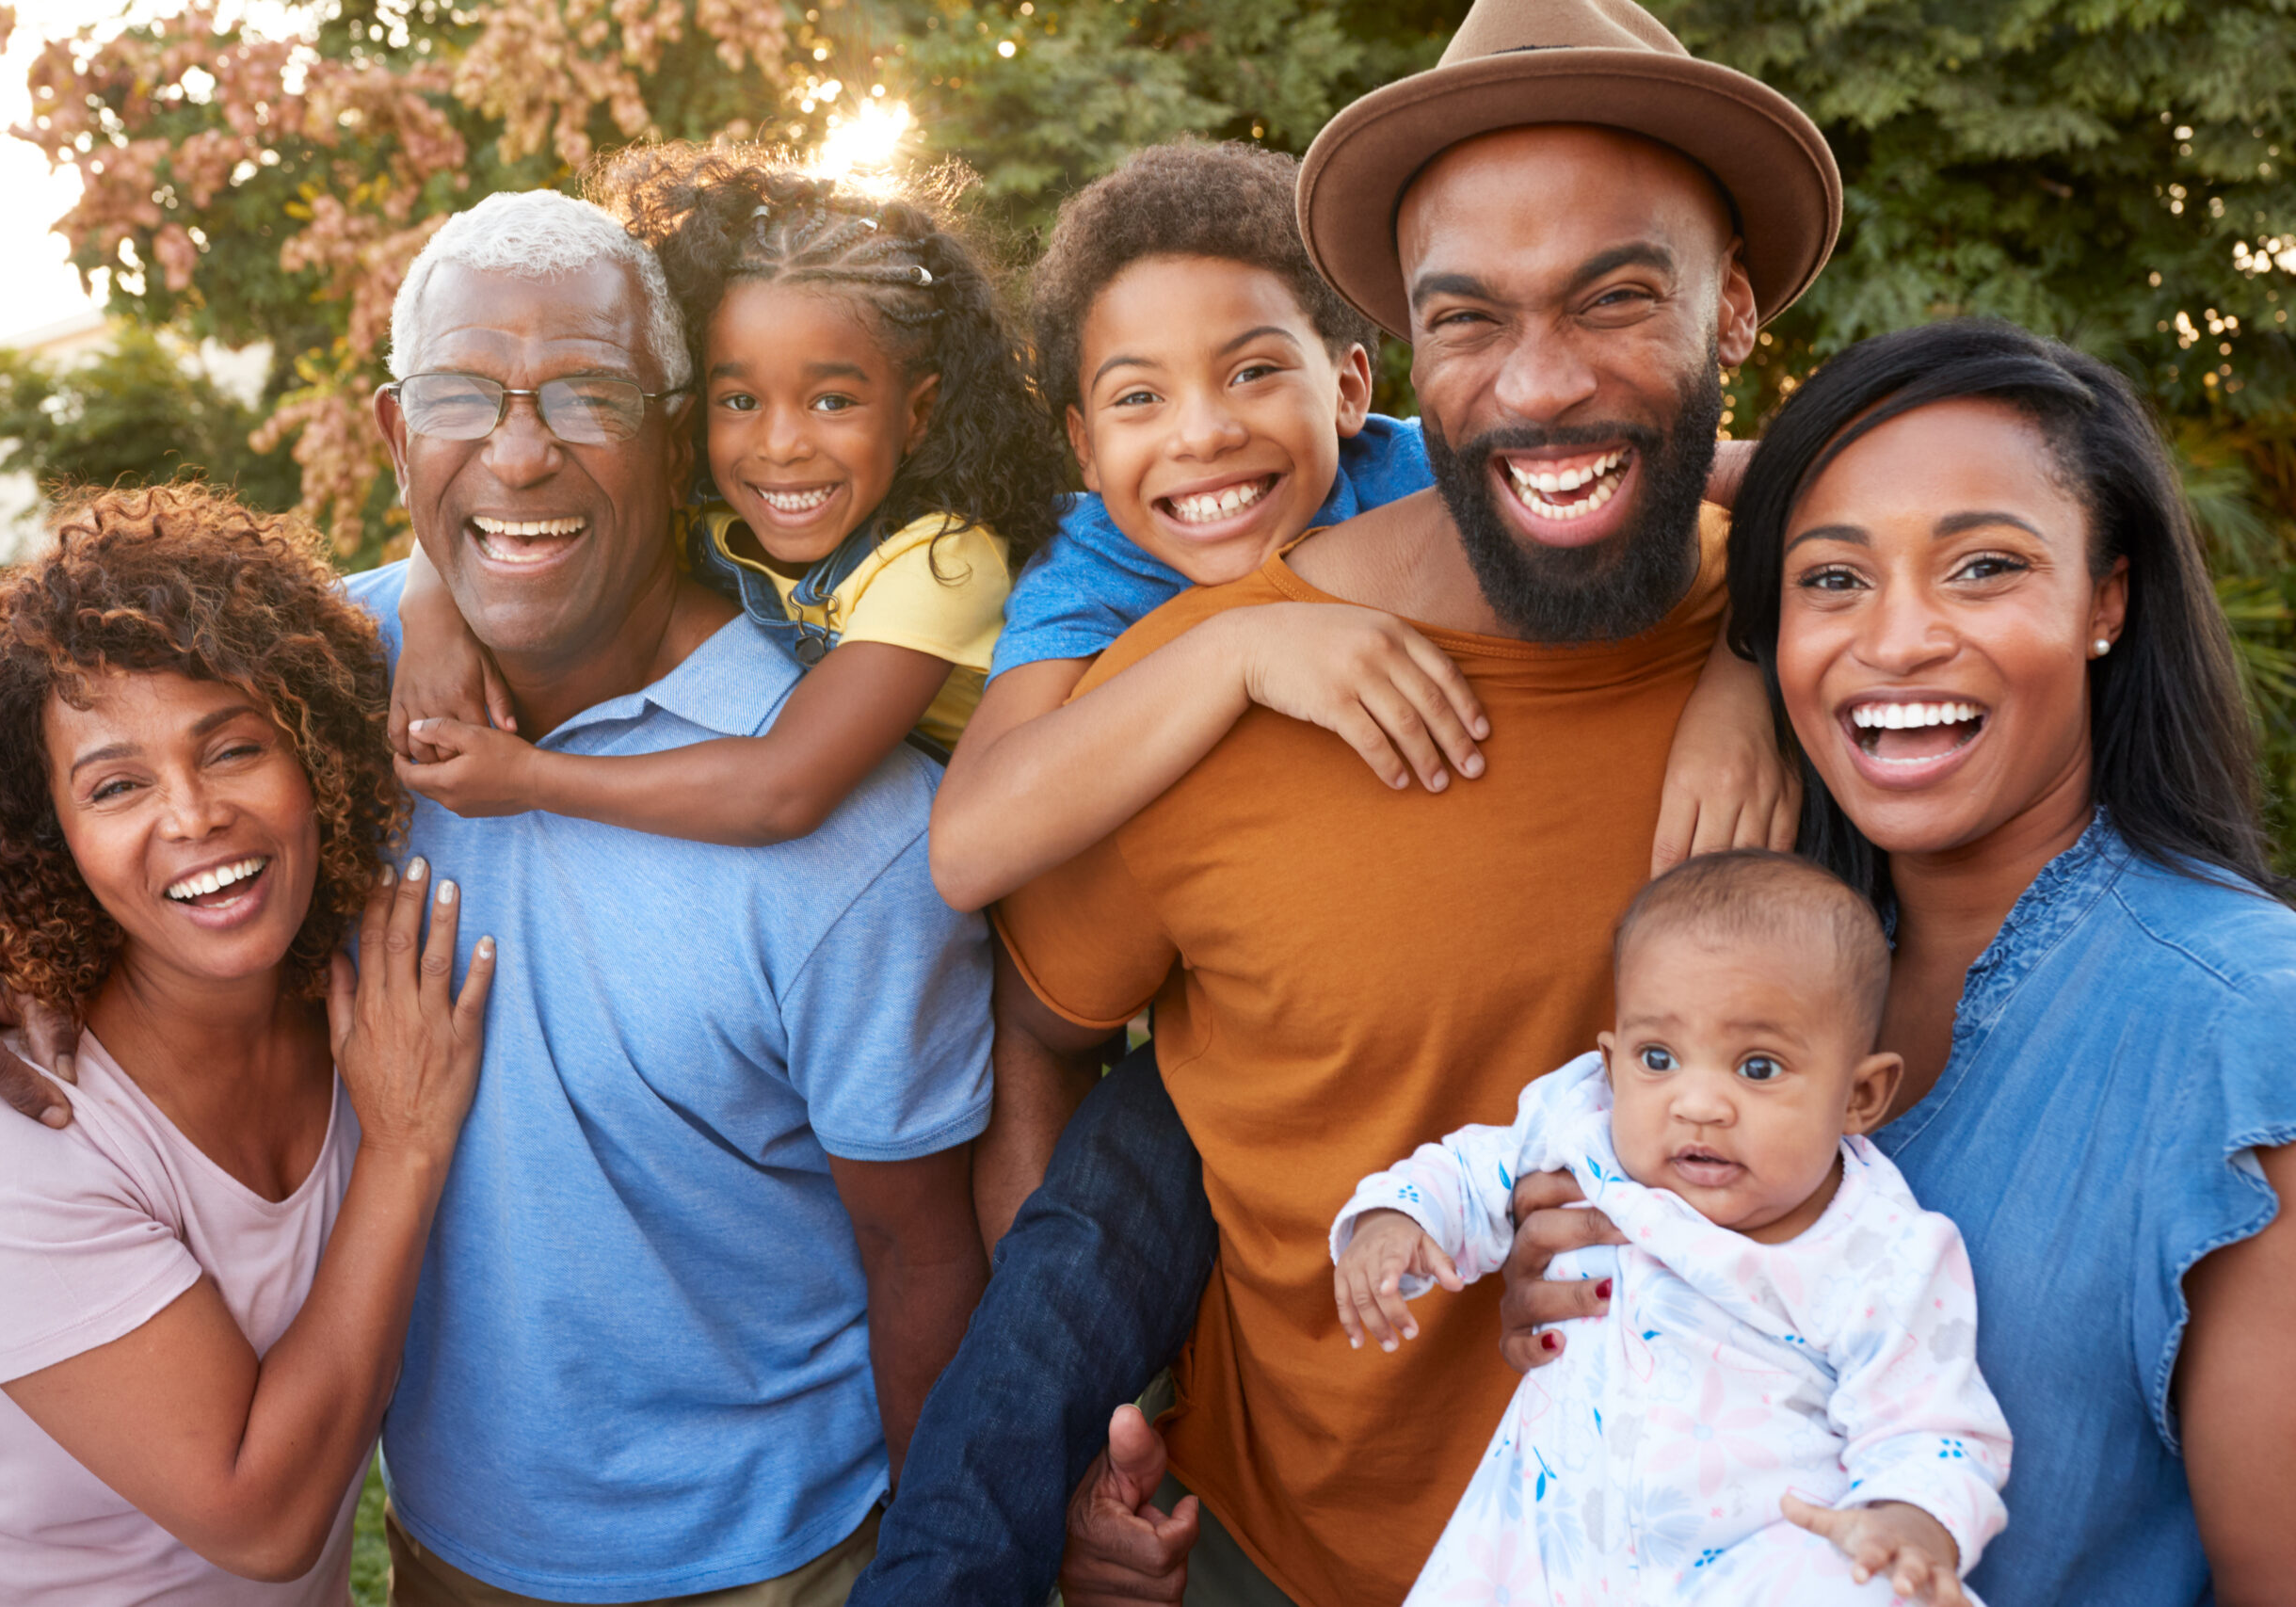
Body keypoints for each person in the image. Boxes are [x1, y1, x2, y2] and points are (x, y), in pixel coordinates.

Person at [859, 1, 1852, 1601]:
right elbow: (1027, 996)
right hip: (1297, 1543)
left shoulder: (1848, 654)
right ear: (1420, 338)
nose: (1539, 381)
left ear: (1732, 305)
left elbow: (1838, 489)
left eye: (1613, 294)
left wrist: (1754, 655)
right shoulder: (1179, 673)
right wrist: (1105, 1415)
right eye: (1474, 316)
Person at [0, 189, 996, 1606]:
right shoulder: (307, 693)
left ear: (672, 431)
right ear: (401, 437)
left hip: (778, 1559)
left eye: (586, 394)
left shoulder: (854, 831)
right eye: (466, 396)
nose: (520, 450)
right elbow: (108, 788)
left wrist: (944, 1569)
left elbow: (922, 1252)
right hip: (450, 1556)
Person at [1501, 317, 2296, 1603]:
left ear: (2107, 597)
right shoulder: (1764, 969)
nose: (1898, 637)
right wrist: (1595, 1306)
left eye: (1983, 566)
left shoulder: (2244, 1022)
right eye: (1832, 578)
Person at [0, 486, 491, 1602]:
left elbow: (495, 538)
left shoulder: (351, 999)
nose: (192, 815)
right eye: (116, 785)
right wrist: (404, 1149)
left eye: (234, 749)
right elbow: (261, 1519)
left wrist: (441, 583)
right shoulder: (1, 1129)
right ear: (49, 833)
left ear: (319, 760)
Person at [1333, 851, 2008, 1606]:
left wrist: (1911, 1522)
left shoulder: (1881, 1249)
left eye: (1757, 1067)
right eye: (1659, 1057)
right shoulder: (1588, 1123)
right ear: (1613, 1066)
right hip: (1539, 1546)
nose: (1698, 1103)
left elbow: (1930, 1427)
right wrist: (1398, 1218)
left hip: (1743, 1570)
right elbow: (1471, 1168)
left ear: (1859, 1096)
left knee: (1860, 1581)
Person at [386, 149, 1070, 841]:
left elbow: (783, 788)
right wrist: (431, 620)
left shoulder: (941, 563)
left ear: (916, 414)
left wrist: (529, 777)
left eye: (832, 401)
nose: (780, 445)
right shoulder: (720, 507)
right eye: (740, 399)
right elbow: (492, 512)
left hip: (995, 846)